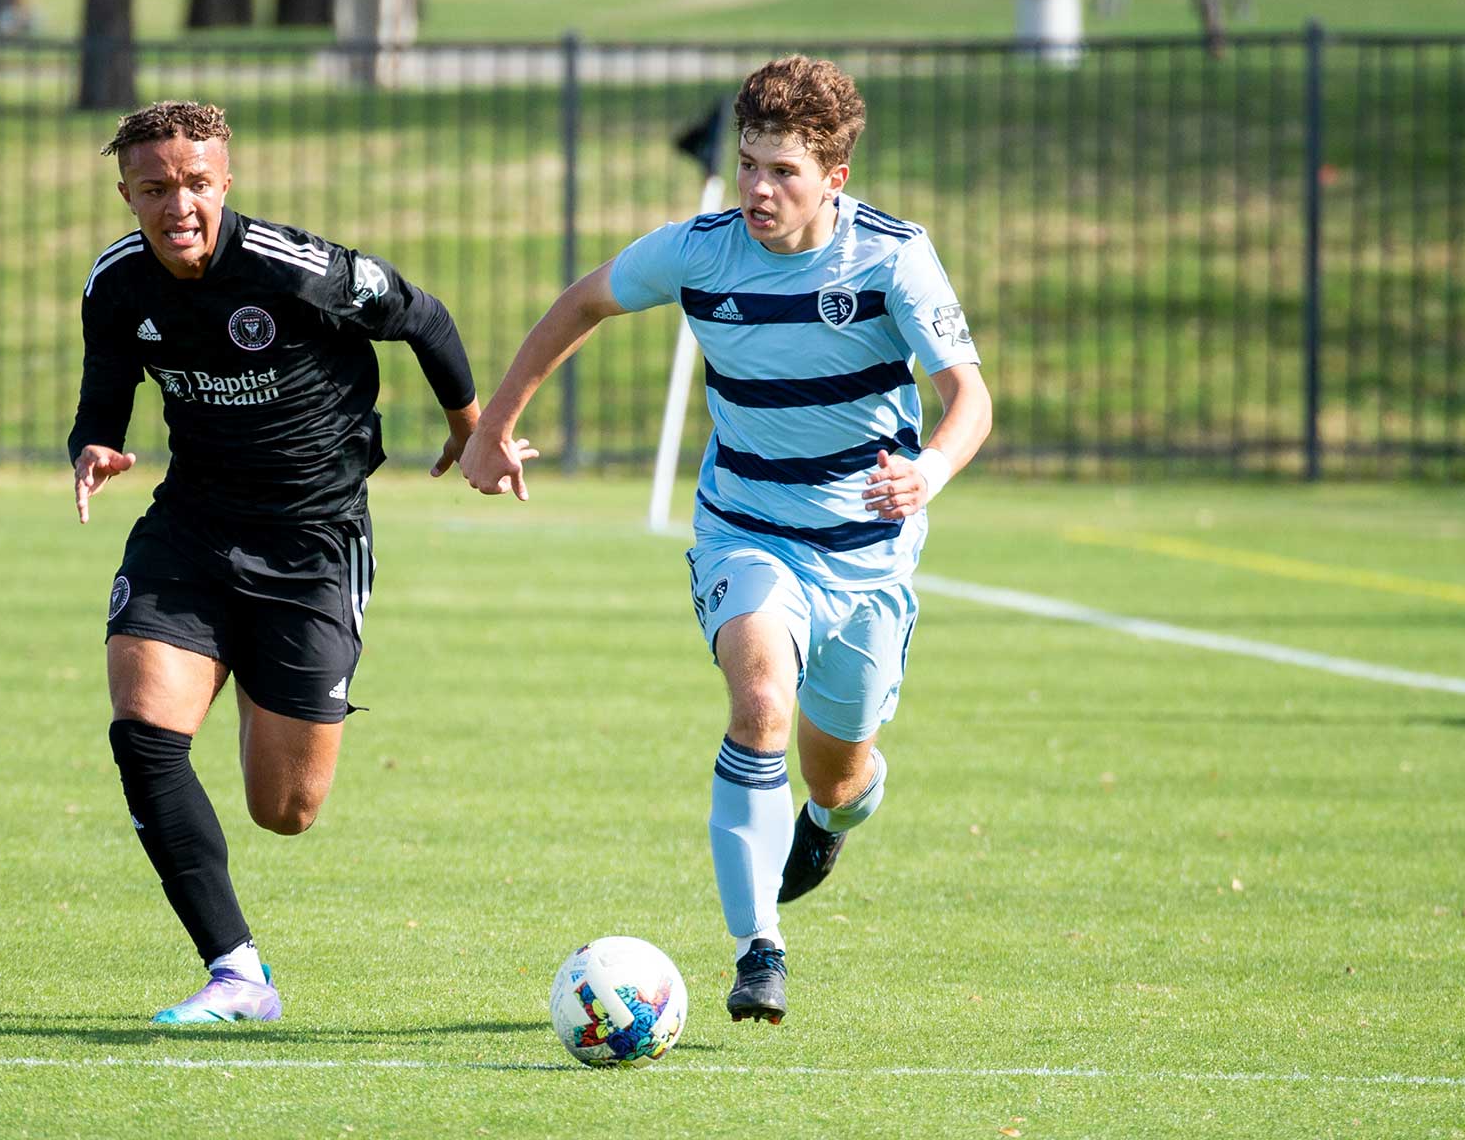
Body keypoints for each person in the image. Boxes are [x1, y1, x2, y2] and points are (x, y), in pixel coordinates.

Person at [459, 56, 992, 1025]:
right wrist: (494, 426)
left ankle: (830, 817)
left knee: (841, 773)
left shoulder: (892, 258)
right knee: (759, 704)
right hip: (747, 529)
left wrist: (931, 470)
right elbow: (582, 302)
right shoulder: (698, 252)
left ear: (834, 178)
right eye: (749, 163)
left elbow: (969, 398)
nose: (758, 188)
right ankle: (758, 953)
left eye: (783, 171)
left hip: (867, 554)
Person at [69, 100, 502, 1024]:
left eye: (195, 183)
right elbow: (106, 382)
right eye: (155, 188)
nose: (178, 205)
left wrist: (472, 430)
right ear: (127, 195)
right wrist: (94, 443)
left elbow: (423, 316)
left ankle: (261, 673)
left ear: (225, 182)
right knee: (143, 735)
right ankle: (237, 974)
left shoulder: (296, 269)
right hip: (190, 529)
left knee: (285, 810)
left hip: (314, 544)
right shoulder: (116, 281)